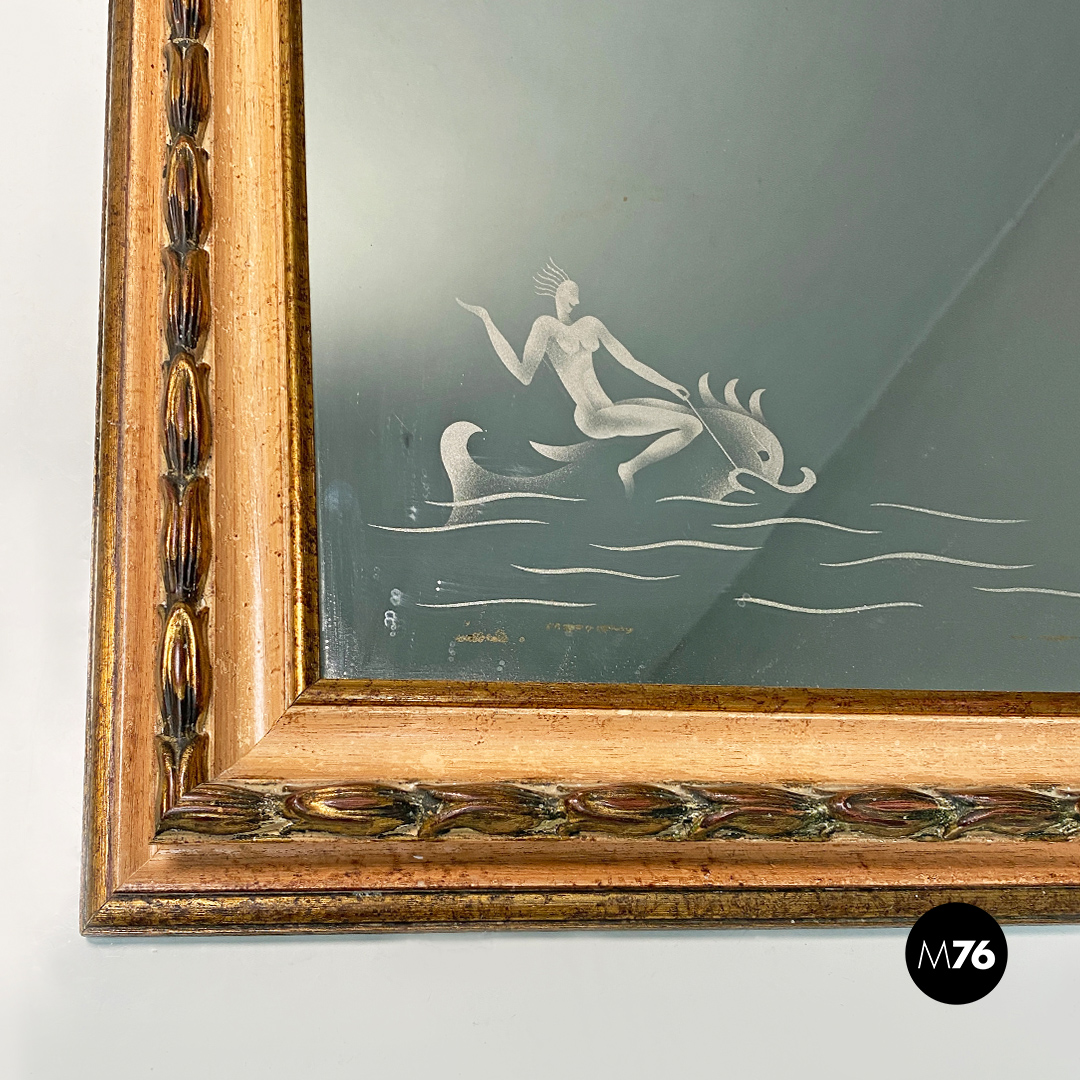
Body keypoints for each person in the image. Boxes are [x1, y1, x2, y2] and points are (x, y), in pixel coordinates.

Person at [457, 260, 702, 495]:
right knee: (691, 425)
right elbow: (523, 374)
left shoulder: (590, 324)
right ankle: (629, 468)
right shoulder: (545, 326)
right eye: (570, 293)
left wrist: (669, 385)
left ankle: (630, 467)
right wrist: (487, 320)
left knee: (687, 415)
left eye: (577, 294)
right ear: (558, 294)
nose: (576, 301)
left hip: (609, 409)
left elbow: (629, 361)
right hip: (592, 417)